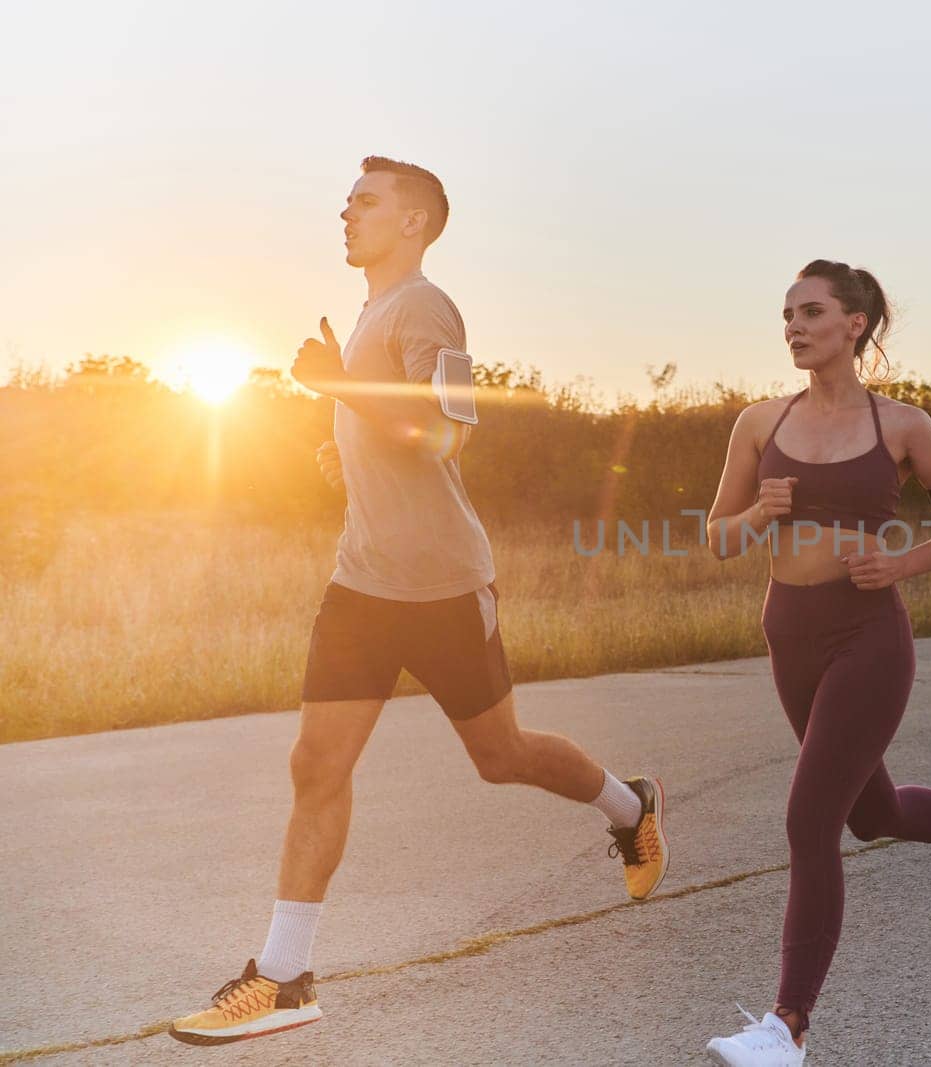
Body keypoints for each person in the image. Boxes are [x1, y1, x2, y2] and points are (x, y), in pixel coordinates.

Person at [168, 156, 668, 1046]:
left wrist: (337, 386)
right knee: (315, 768)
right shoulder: (368, 313)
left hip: (441, 587)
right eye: (348, 198)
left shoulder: (426, 307)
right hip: (360, 582)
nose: (346, 210)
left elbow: (448, 430)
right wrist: (347, 455)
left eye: (365, 200)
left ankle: (631, 806)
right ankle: (284, 976)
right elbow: (395, 444)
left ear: (415, 223)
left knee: (502, 754)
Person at [701, 260, 931, 1065]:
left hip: (868, 637)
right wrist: (757, 511)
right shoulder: (756, 423)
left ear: (855, 323)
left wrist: (902, 564)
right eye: (785, 315)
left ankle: (788, 1027)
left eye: (810, 312)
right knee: (867, 814)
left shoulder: (904, 425)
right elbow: (716, 538)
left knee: (809, 818)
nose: (793, 328)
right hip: (790, 633)